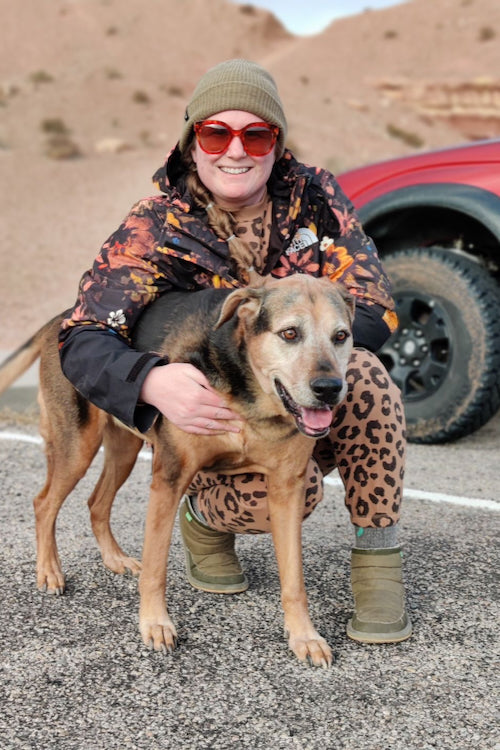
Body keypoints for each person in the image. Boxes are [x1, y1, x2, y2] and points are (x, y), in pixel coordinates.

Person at [59, 59, 412, 644]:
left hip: (294, 408)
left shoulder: (315, 198)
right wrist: (149, 381)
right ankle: (205, 519)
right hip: (207, 408)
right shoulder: (156, 222)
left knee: (367, 377)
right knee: (278, 502)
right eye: (216, 133)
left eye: (256, 134)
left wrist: (309, 340)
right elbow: (85, 335)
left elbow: (376, 304)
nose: (236, 150)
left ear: (275, 144)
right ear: (192, 142)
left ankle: (378, 563)